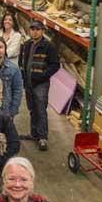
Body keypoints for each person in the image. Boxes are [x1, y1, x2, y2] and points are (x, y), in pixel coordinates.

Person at [19, 20, 60, 151]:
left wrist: (43, 75)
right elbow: (22, 61)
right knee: (32, 109)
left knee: (41, 109)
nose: (35, 32)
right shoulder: (26, 45)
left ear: (42, 31)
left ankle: (42, 137)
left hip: (41, 84)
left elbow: (55, 65)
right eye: (32, 29)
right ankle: (34, 133)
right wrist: (23, 77)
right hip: (29, 82)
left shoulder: (48, 46)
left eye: (37, 29)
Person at [0, 37, 23, 117]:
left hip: (4, 112)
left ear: (5, 50)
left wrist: (12, 111)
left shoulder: (13, 69)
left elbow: (17, 91)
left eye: (0, 47)